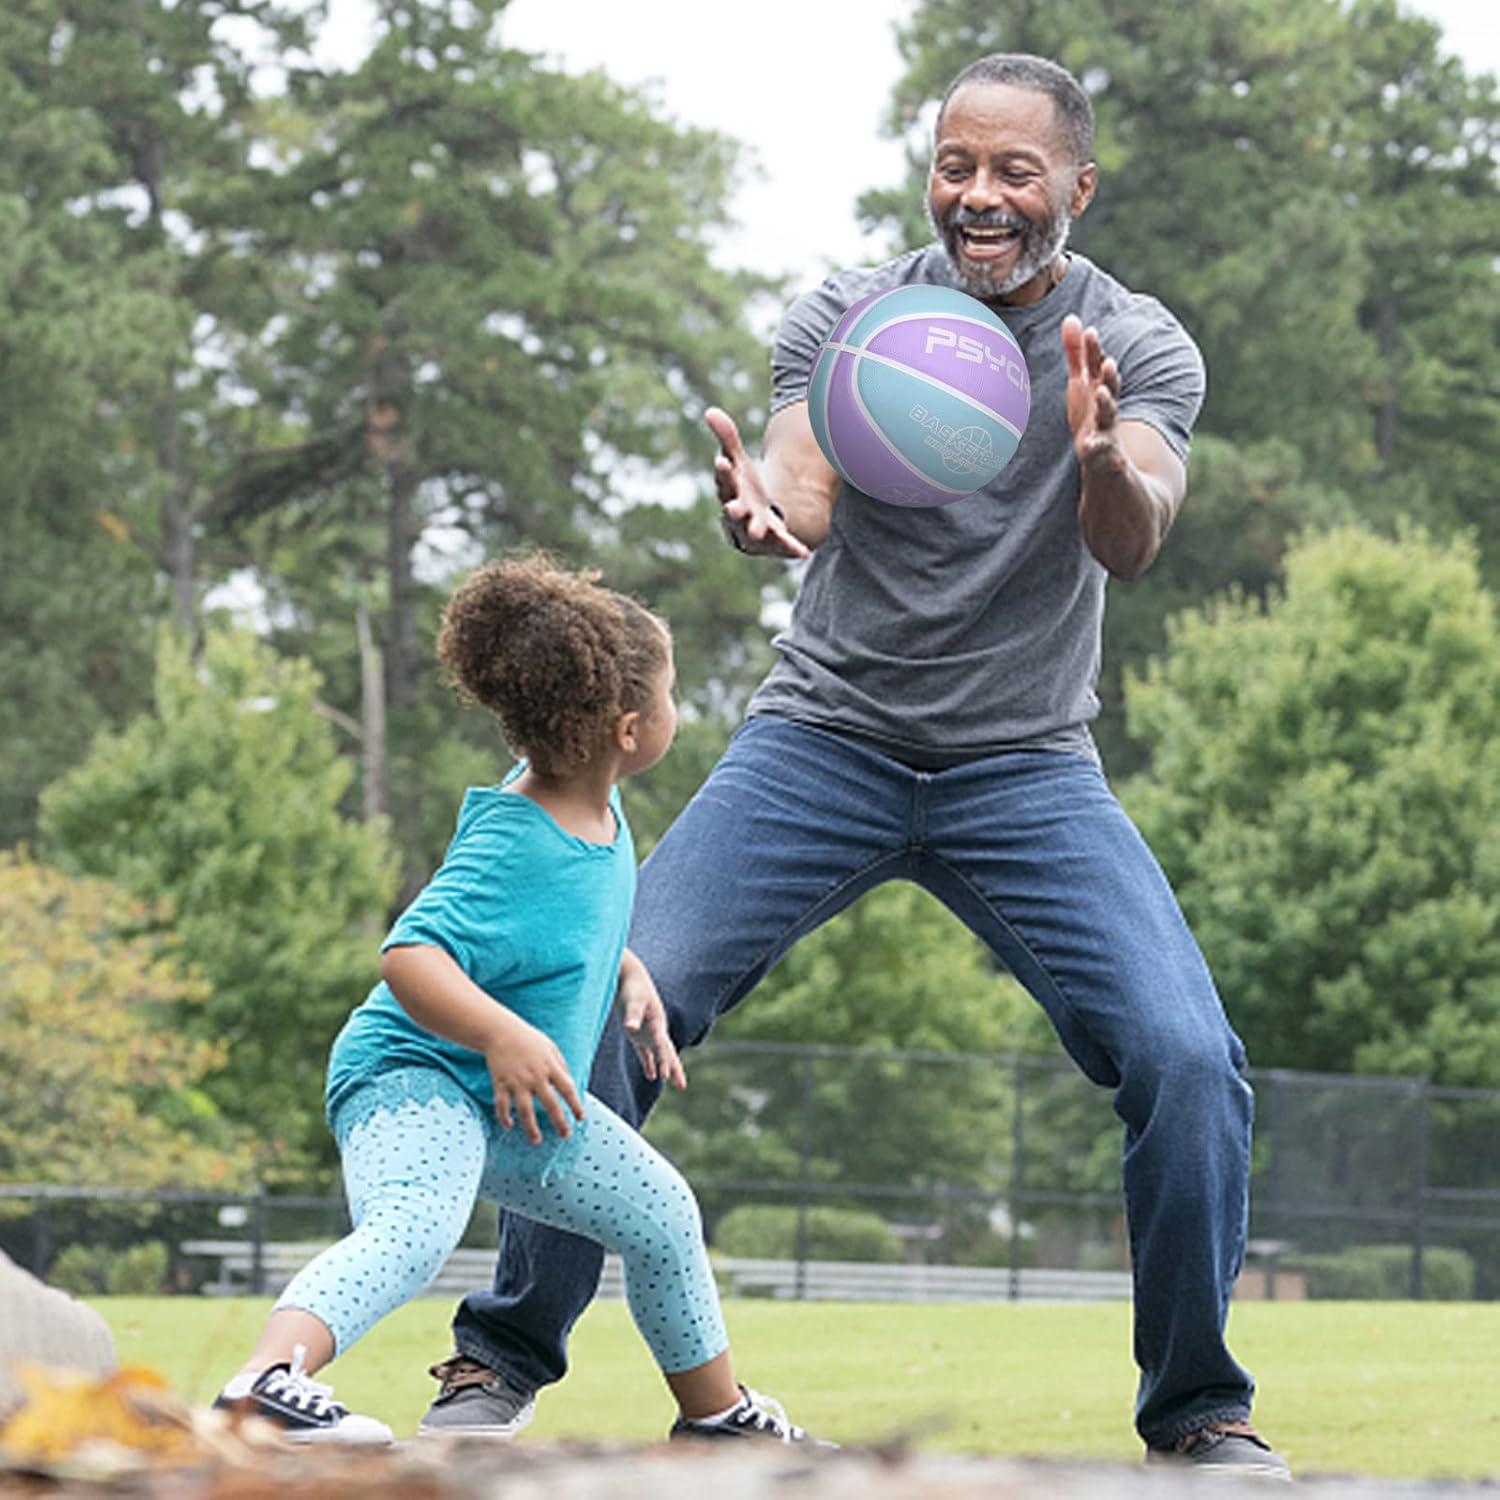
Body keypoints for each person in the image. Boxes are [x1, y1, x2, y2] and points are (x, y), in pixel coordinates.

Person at [419, 55, 1290, 1480]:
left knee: (1192, 1063)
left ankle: (1200, 1413)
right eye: (957, 165)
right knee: (606, 1003)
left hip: (1025, 768)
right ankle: (500, 1355)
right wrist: (767, 511)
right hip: (824, 741)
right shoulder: (848, 320)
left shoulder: (1137, 343)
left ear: (1078, 184)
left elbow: (1134, 534)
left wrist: (1096, 462)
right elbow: (801, 491)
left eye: (1015, 171)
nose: (980, 197)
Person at [212, 555, 823, 1446]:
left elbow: (564, 927)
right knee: (416, 1224)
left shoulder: (596, 810)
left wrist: (626, 970)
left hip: (514, 1107)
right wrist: (501, 1032)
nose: (678, 712)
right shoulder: (519, 839)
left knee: (663, 1218)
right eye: (673, 696)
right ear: (626, 728)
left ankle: (717, 1418)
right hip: (412, 1078)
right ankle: (262, 1384)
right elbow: (410, 955)